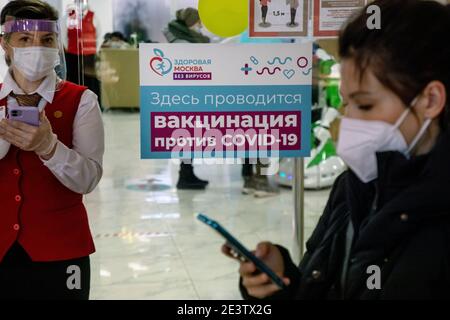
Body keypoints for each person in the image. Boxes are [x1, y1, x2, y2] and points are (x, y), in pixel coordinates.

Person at [223, 0, 450, 299]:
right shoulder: (352, 187)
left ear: (430, 100)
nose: (349, 121)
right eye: (346, 103)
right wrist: (282, 282)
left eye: (365, 104)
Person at [0, 0, 104, 300]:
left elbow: (88, 179)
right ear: (6, 45)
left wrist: (49, 147)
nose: (37, 47)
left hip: (61, 250)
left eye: (46, 40)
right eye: (24, 39)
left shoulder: (81, 101)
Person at [163, 7, 209, 190]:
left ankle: (187, 174)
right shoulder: (183, 42)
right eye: (198, 21)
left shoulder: (180, 37)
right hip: (186, 95)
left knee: (189, 136)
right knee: (187, 136)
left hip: (187, 93)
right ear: (190, 22)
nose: (200, 25)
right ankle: (185, 176)